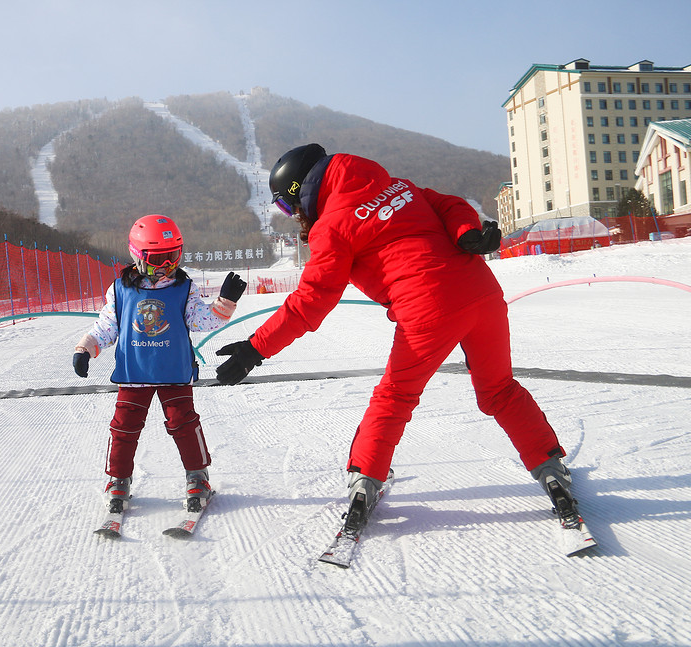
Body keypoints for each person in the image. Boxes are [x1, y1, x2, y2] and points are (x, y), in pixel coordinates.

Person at [215, 144, 581, 533]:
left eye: (288, 208)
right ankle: (549, 466)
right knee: (498, 390)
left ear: (299, 192)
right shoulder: (396, 186)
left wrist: (255, 349)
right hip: (483, 296)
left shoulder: (331, 226)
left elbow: (312, 300)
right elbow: (451, 204)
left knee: (395, 396)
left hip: (428, 312)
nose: (294, 217)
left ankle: (364, 481)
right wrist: (468, 232)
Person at [73, 214, 247, 513]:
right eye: (159, 259)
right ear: (138, 256)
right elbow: (106, 327)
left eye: (172, 257)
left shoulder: (183, 287)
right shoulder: (120, 290)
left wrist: (225, 303)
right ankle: (118, 478)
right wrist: (85, 348)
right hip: (134, 373)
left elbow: (201, 319)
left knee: (183, 423)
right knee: (124, 428)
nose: (167, 266)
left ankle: (198, 476)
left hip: (174, 372)